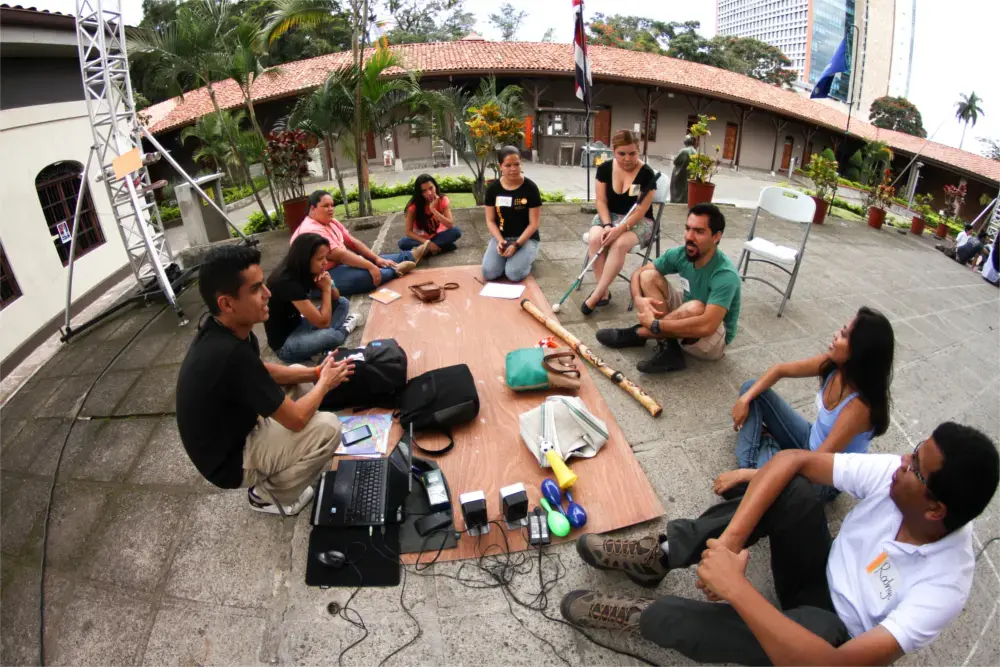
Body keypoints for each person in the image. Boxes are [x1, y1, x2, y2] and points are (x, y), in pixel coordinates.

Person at [561, 422, 999, 666]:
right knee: (795, 490)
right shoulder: (897, 477)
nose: (902, 461)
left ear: (936, 509)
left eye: (916, 464)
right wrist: (729, 543)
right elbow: (794, 460)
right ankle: (661, 556)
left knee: (820, 639)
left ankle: (650, 618)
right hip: (816, 568)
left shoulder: (945, 585)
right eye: (914, 450)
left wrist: (737, 588)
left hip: (834, 632)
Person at [176, 245, 354, 516]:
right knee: (328, 428)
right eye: (256, 289)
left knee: (297, 373)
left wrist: (316, 373)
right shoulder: (228, 353)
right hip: (230, 460)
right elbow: (295, 419)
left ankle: (283, 456)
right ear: (226, 303)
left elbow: (261, 369)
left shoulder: (225, 329)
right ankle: (267, 496)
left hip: (236, 426)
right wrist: (325, 383)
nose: (268, 294)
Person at [716, 306, 895, 503]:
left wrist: (742, 474)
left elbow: (814, 462)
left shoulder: (859, 409)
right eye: (841, 330)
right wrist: (744, 399)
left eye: (843, 335)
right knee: (753, 390)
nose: (835, 335)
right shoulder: (834, 366)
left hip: (822, 477)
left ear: (860, 353)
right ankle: (760, 476)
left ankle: (753, 475)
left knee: (782, 479)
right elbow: (779, 370)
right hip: (809, 439)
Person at [595, 203, 741, 373]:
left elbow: (707, 325)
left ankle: (640, 334)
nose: (689, 236)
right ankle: (670, 348)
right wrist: (638, 299)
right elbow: (638, 273)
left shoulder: (725, 275)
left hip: (713, 339)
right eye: (688, 229)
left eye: (699, 231)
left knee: (695, 306)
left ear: (716, 237)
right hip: (689, 310)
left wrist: (656, 326)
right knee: (648, 277)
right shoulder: (682, 253)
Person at [291, 190, 430, 296]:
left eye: (332, 205)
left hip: (339, 265)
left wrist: (375, 259)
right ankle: (396, 270)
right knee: (370, 275)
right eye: (325, 206)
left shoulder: (330, 221)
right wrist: (371, 266)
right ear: (312, 209)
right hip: (319, 278)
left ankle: (410, 256)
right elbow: (340, 255)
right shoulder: (311, 229)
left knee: (381, 260)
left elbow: (352, 243)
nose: (331, 209)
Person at [581, 129, 659, 315]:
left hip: (639, 220)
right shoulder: (605, 168)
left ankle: (597, 293)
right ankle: (605, 292)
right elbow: (600, 201)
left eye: (632, 153)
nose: (627, 158)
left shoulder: (647, 174)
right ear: (613, 151)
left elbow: (640, 211)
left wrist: (619, 230)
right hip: (608, 214)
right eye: (621, 153)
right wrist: (608, 226)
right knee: (595, 239)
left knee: (619, 243)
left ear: (638, 151)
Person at [265, 233, 364, 363]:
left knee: (342, 302)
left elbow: (336, 297)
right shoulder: (287, 282)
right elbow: (323, 323)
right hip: (285, 345)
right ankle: (344, 330)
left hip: (299, 324)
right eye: (320, 259)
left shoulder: (304, 270)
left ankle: (318, 347)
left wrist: (330, 284)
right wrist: (325, 289)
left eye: (326, 257)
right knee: (330, 336)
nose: (325, 263)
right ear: (305, 259)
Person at [482, 146, 543, 282]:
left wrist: (516, 245)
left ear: (521, 164)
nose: (513, 169)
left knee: (513, 274)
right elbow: (490, 220)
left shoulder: (530, 188)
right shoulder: (493, 189)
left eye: (516, 164)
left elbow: (534, 224)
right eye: (508, 165)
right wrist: (499, 241)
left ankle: (529, 256)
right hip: (502, 237)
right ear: (500, 166)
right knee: (489, 273)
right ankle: (511, 258)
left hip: (526, 239)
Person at [399, 174, 462, 254]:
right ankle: (441, 248)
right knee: (403, 243)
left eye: (431, 188)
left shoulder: (443, 200)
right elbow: (408, 232)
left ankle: (425, 251)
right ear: (420, 193)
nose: (429, 193)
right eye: (424, 191)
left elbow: (450, 225)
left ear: (435, 186)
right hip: (421, 240)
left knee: (456, 232)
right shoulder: (413, 207)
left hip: (438, 235)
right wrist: (428, 243)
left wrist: (433, 209)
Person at [670, 135, 696, 203]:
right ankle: (684, 201)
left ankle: (676, 201)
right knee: (685, 189)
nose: (684, 139)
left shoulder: (684, 151)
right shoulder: (694, 151)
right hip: (688, 173)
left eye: (685, 138)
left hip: (680, 173)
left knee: (677, 189)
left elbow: (675, 161)